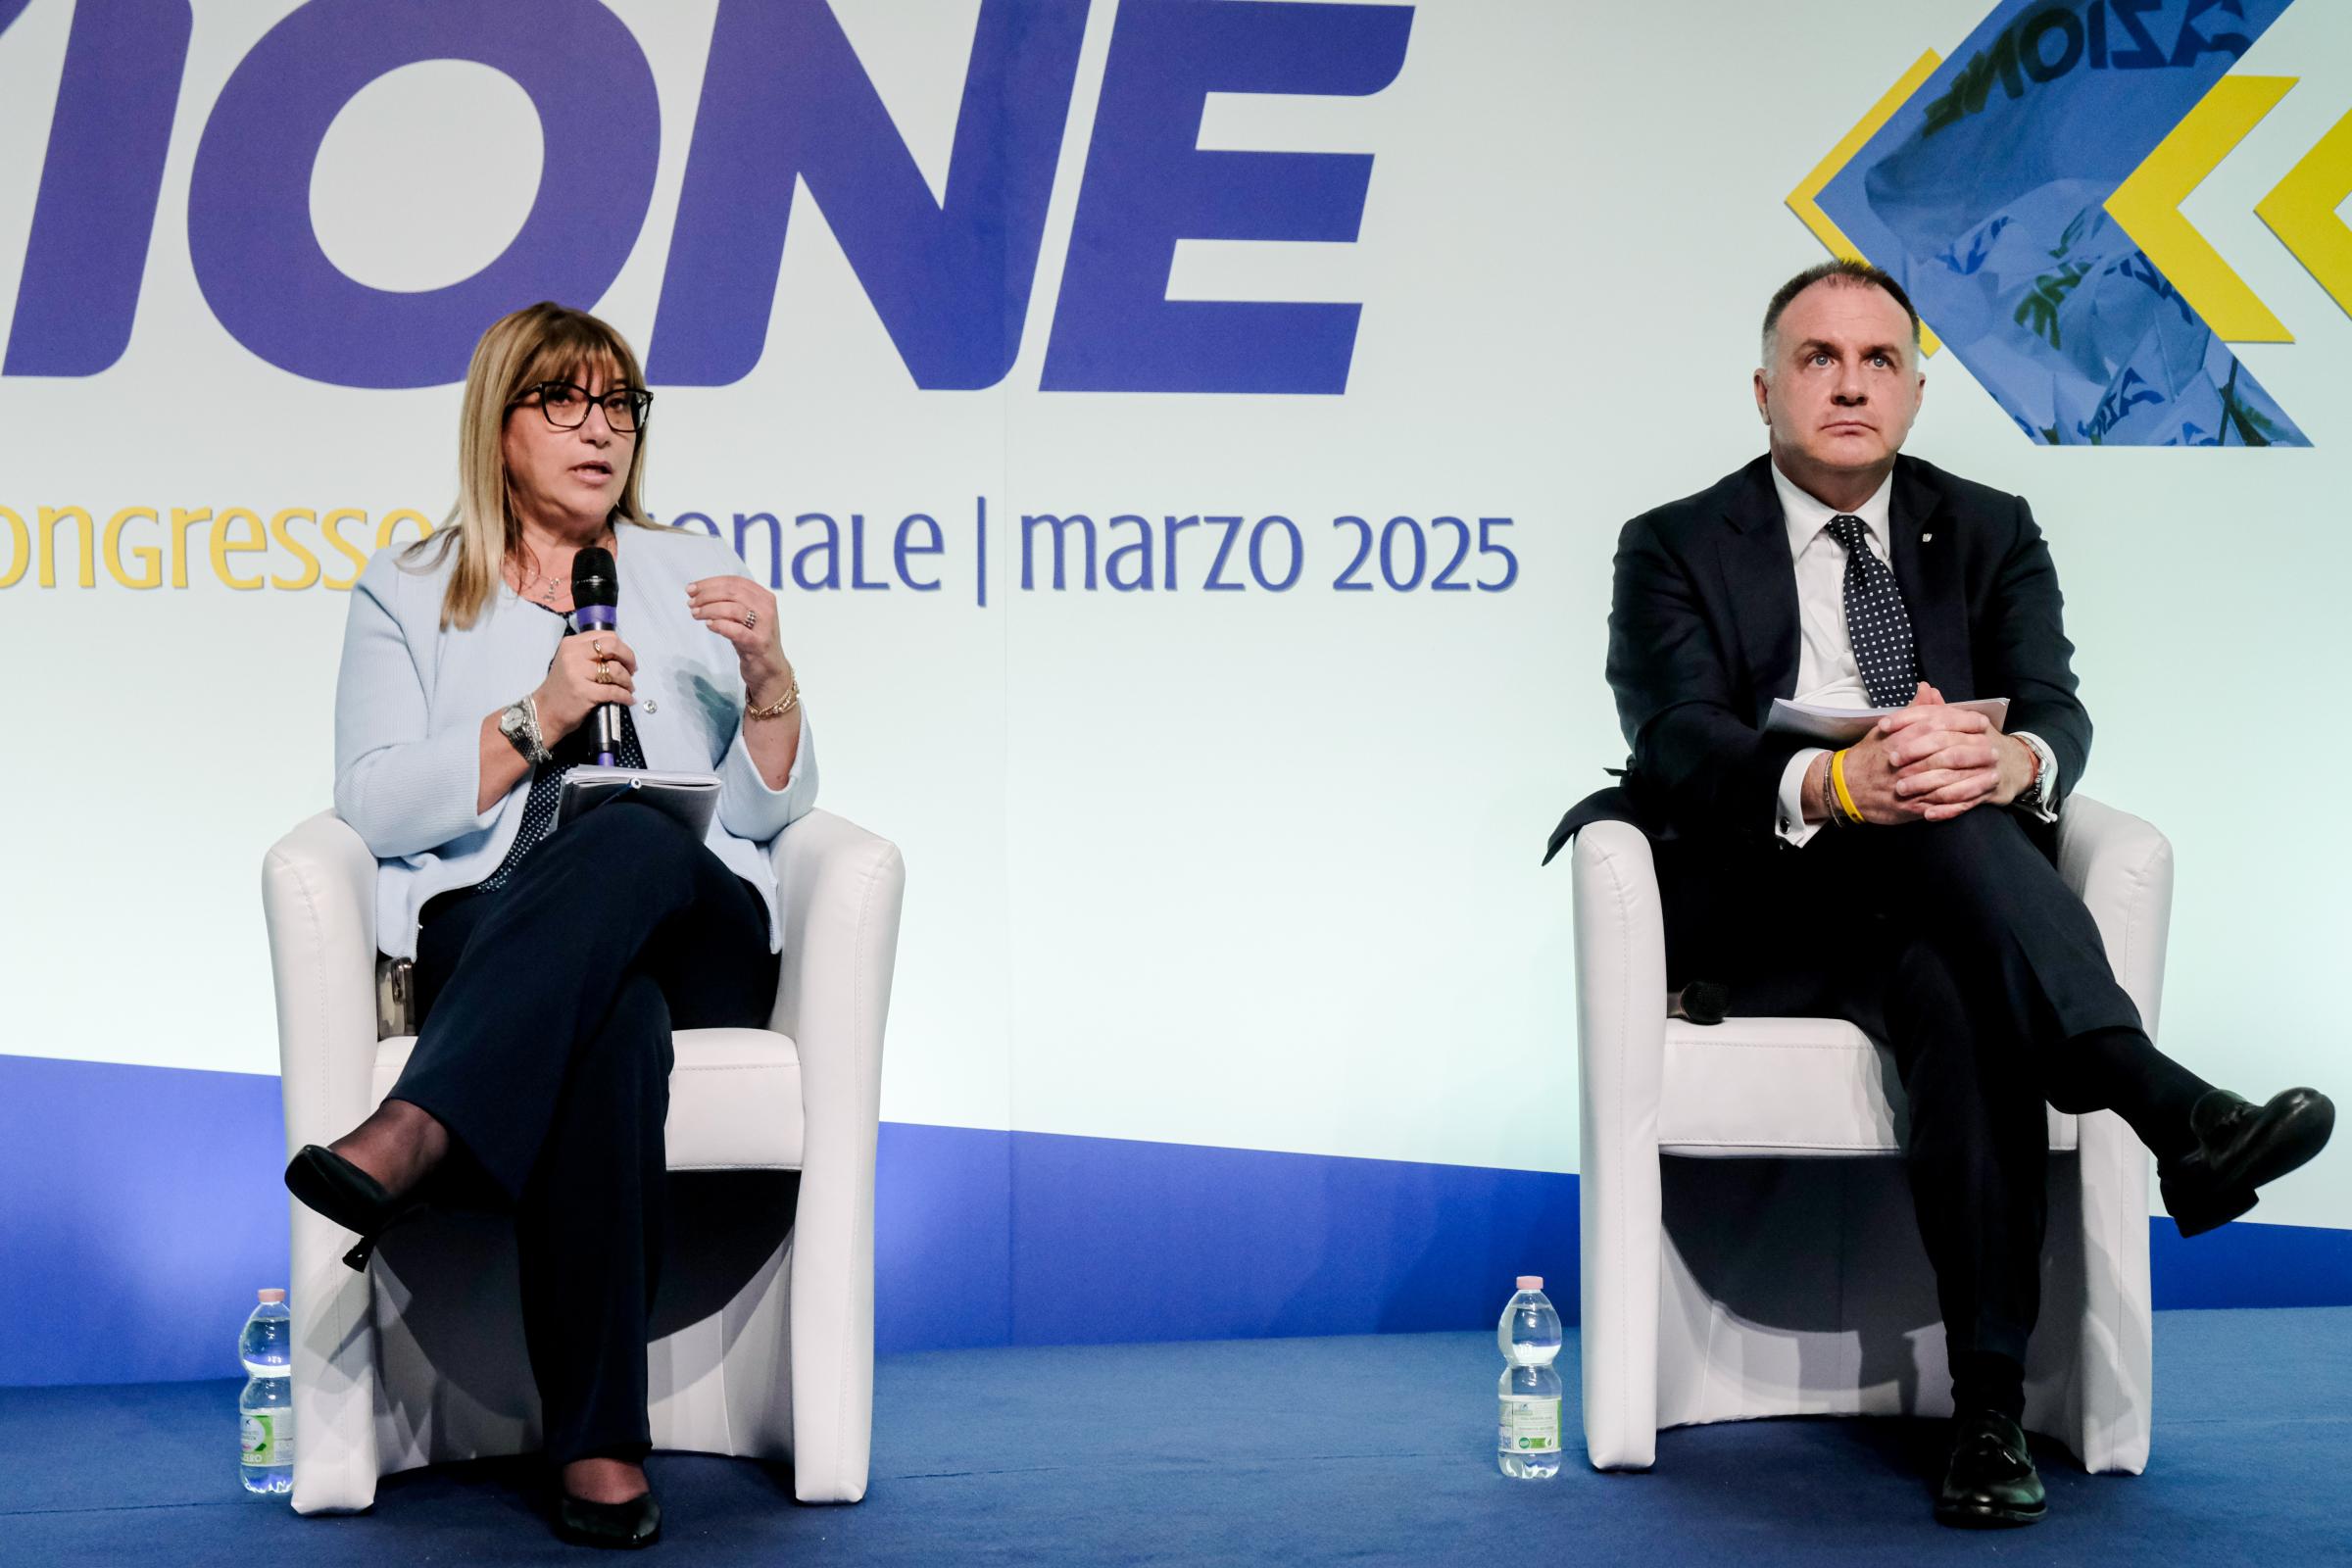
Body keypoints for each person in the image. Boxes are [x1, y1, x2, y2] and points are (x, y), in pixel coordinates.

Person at [1545, 260, 2333, 1529]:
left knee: (1963, 980)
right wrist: (1834, 782)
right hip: (1769, 903)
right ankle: (2157, 1097)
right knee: (1930, 809)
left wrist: (2010, 761)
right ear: (1764, 389)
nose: (1851, 384)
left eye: (1880, 360)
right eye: (1818, 358)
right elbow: (1675, 737)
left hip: (1942, 911)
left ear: (1917, 388)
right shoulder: (1674, 541)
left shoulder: (1990, 525)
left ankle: (1988, 1416)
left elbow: (2053, 703)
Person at [283, 301, 816, 1549]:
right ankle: (598, 1444)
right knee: (611, 1028)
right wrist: (537, 718)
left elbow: (764, 807)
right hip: (499, 924)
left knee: (632, 827)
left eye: (620, 403)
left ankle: (419, 1126)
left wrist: (773, 680)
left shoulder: (689, 572)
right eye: (566, 401)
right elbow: (372, 801)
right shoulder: (411, 588)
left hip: (692, 920)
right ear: (500, 423)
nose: (601, 429)